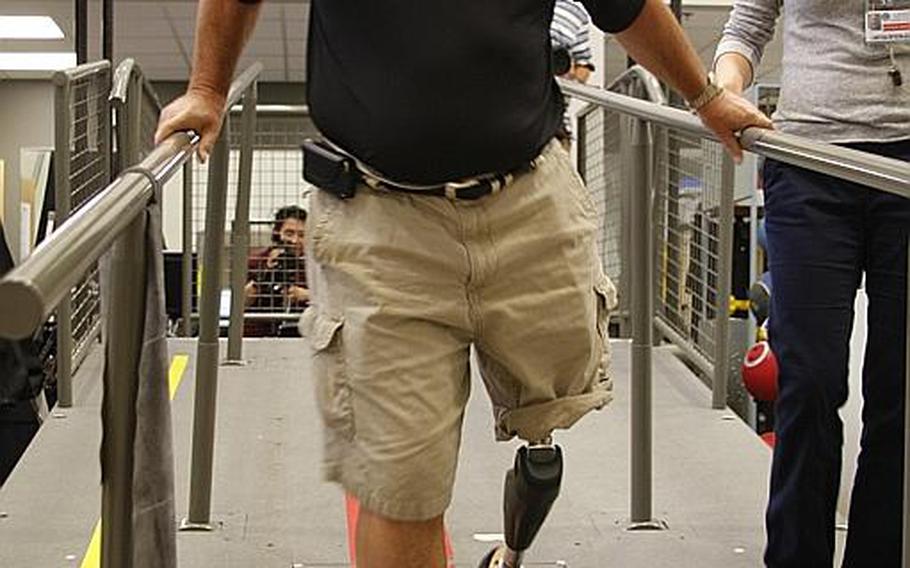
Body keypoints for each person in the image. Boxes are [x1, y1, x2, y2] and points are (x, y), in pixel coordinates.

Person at [156, 0, 770, 565]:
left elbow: (626, 6)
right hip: (380, 223)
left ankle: (526, 487)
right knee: (399, 487)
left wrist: (708, 98)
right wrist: (207, 91)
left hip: (529, 200)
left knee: (556, 405)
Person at [714, 1, 910, 566]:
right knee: (809, 381)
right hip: (810, 163)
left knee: (902, 391)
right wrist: (724, 90)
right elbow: (746, 27)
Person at [243, 205, 309, 336]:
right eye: (289, 233)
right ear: (277, 232)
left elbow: (334, 300)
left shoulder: (315, 266)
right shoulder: (257, 260)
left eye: (301, 235)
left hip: (300, 334)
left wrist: (306, 295)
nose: (295, 240)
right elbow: (239, 303)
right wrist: (264, 276)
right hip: (257, 333)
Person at [550, 0, 597, 147]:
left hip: (555, 126)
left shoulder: (576, 10)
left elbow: (583, 63)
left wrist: (571, 79)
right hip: (501, 118)